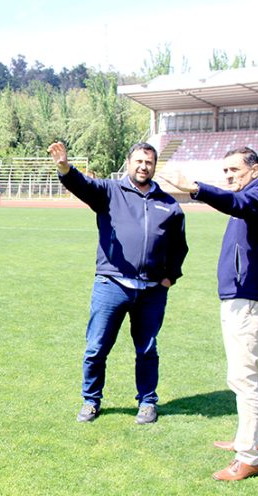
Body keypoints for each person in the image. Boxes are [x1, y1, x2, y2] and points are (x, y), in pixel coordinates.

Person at [159, 147, 258, 481]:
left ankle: (248, 459)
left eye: (235, 170)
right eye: (225, 171)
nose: (228, 176)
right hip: (241, 297)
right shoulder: (252, 197)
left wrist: (194, 188)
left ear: (254, 170)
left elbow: (236, 204)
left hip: (248, 299)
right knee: (245, 374)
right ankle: (254, 439)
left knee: (243, 376)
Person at [48, 141, 188, 425]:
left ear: (154, 166)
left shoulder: (169, 205)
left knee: (147, 350)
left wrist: (169, 277)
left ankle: (147, 402)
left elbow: (179, 246)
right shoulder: (110, 192)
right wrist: (65, 168)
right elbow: (83, 186)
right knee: (96, 348)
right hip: (111, 285)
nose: (143, 166)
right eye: (138, 161)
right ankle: (91, 400)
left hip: (151, 292)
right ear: (129, 163)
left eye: (148, 162)